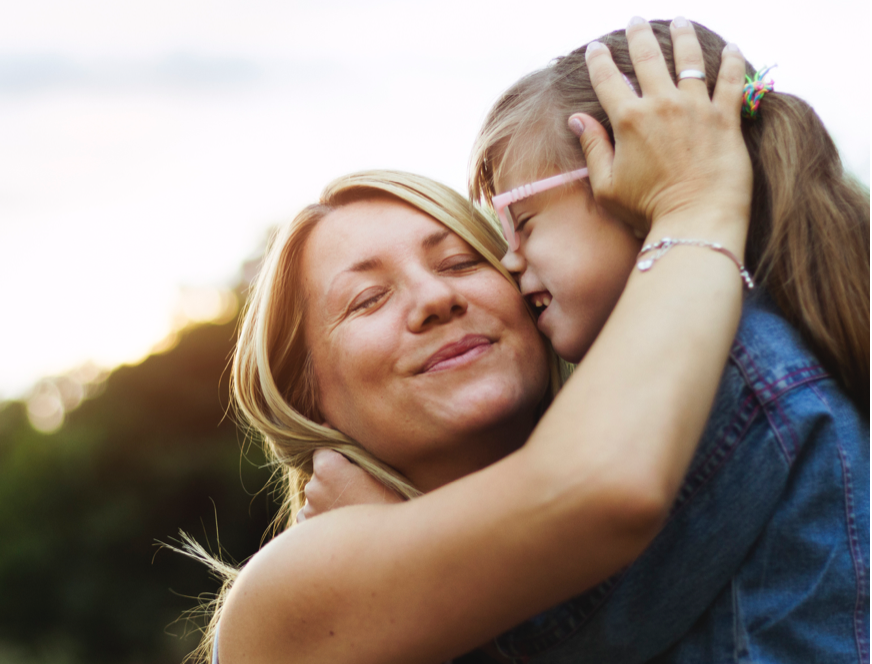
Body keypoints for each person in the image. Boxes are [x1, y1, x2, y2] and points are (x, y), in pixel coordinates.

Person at [188, 22, 759, 664]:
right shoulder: (294, 585)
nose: (436, 300)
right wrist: (694, 206)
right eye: (369, 299)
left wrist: (404, 540)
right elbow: (602, 492)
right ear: (307, 393)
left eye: (462, 262)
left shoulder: (701, 465)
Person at [305, 18, 870, 664]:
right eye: (368, 299)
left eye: (520, 225)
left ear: (633, 188)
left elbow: (563, 625)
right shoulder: (752, 351)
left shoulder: (736, 374)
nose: (509, 263)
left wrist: (392, 550)